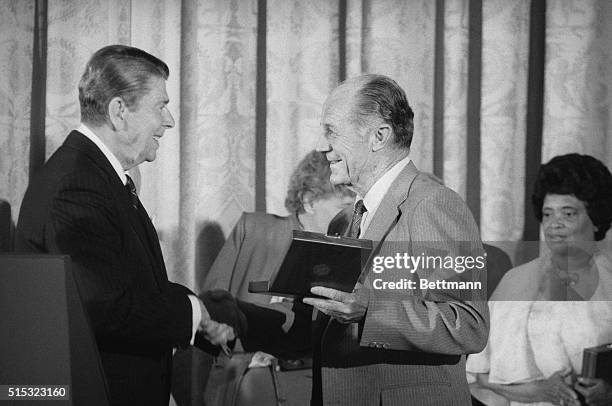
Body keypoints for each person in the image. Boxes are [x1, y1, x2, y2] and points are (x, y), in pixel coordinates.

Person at [15, 45, 244, 406]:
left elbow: (131, 281)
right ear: (119, 111)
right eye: (160, 106)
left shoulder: (96, 175)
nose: (168, 121)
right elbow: (105, 304)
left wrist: (196, 315)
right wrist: (195, 313)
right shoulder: (77, 184)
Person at [301, 74, 489, 405]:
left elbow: (469, 325)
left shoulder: (434, 204)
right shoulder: (344, 220)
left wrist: (370, 310)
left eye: (331, 131)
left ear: (379, 136)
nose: (320, 145)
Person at [200, 149, 353, 405]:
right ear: (309, 201)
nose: (351, 217)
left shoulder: (348, 252)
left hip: (312, 388)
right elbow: (210, 308)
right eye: (345, 207)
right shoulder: (255, 231)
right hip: (244, 384)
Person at [467, 153, 612, 406]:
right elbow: (480, 375)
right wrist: (539, 392)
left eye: (568, 214)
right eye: (547, 214)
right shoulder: (516, 281)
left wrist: (608, 393)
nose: (554, 225)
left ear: (596, 220)